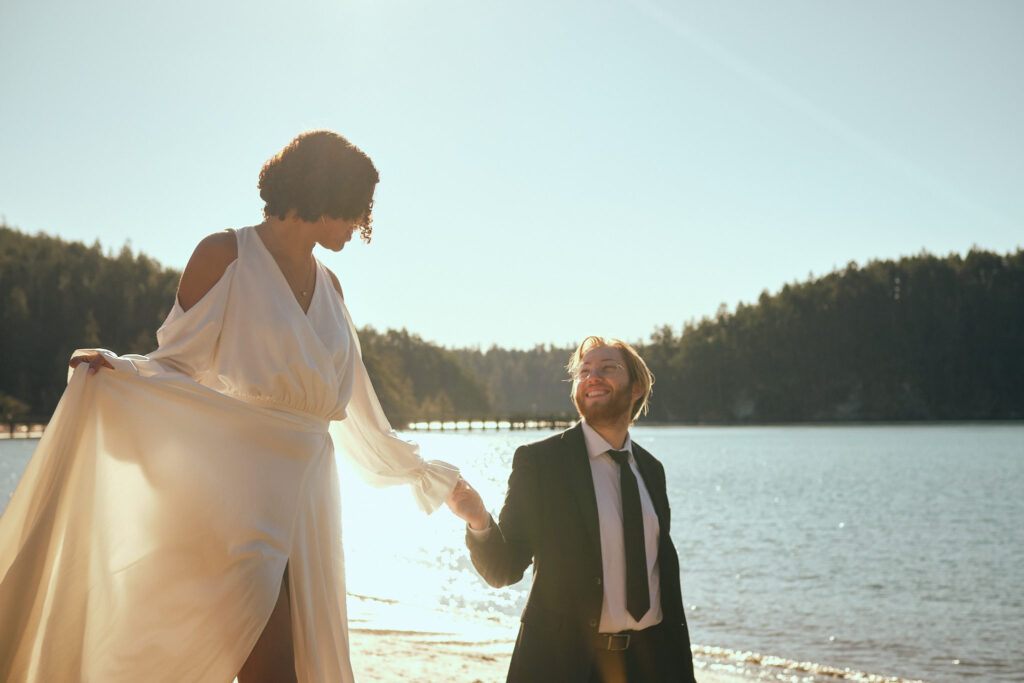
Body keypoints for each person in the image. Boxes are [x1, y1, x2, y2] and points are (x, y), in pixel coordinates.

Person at [0, 131, 460, 683]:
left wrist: (418, 472)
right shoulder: (226, 255)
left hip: (311, 491)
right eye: (359, 209)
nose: (361, 225)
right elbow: (177, 363)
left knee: (305, 655)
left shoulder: (332, 287)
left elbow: (355, 405)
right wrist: (123, 370)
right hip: (238, 488)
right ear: (328, 190)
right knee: (262, 653)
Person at [447, 337, 698, 683]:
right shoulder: (541, 463)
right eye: (584, 371)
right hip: (565, 666)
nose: (592, 376)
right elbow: (503, 568)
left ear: (637, 388)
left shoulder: (652, 470)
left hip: (649, 665)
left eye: (608, 368)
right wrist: (478, 519)